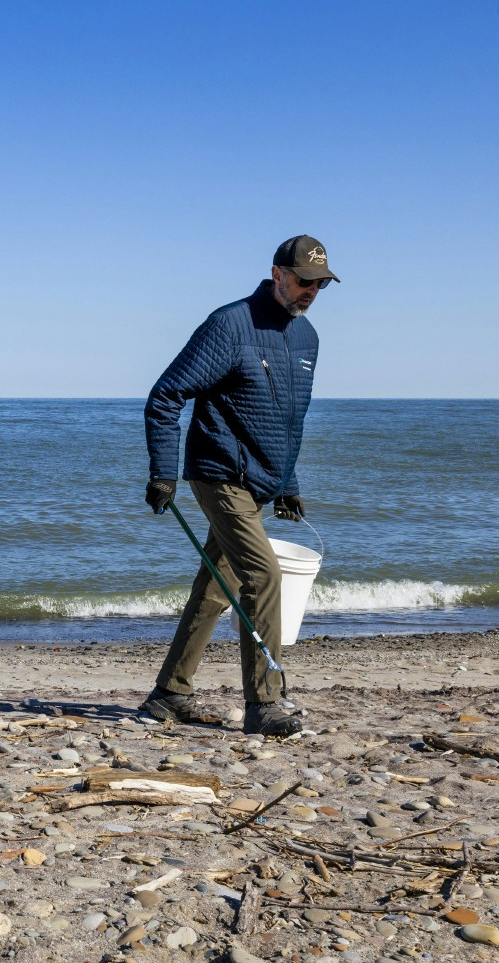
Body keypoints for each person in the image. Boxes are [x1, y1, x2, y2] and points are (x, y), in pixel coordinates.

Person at [139, 235, 339, 738]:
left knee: (213, 587)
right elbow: (166, 396)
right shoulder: (229, 325)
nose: (311, 291)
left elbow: (287, 421)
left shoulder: (307, 337)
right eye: (303, 281)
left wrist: (288, 481)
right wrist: (163, 471)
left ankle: (169, 694)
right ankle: (263, 703)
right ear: (277, 274)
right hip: (219, 472)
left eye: (320, 283)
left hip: (261, 482)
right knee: (264, 577)